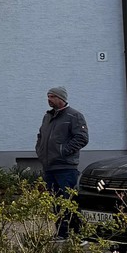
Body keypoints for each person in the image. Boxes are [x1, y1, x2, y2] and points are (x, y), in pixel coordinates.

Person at [37, 87, 89, 231]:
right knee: (55, 202)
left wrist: (63, 151)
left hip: (66, 168)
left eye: (52, 97)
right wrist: (40, 151)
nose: (49, 99)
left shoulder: (74, 116)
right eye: (48, 96)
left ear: (61, 98)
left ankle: (74, 233)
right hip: (49, 167)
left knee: (69, 202)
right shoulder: (47, 117)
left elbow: (82, 138)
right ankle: (61, 232)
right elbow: (40, 136)